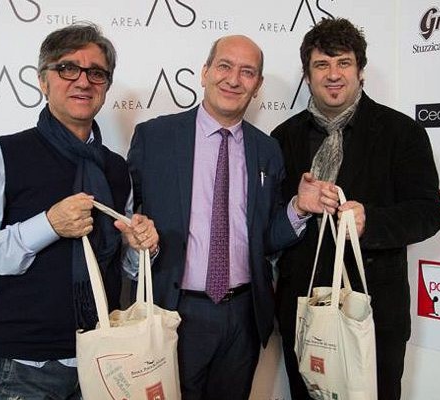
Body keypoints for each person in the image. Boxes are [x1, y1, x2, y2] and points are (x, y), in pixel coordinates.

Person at [0, 22, 158, 399]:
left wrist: (141, 249)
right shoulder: (4, 154)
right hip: (23, 366)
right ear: (43, 81)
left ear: (105, 86)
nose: (83, 81)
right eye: (68, 68)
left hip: (104, 358)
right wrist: (48, 225)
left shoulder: (116, 168)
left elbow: (119, 267)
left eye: (96, 73)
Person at [126, 35, 335, 400]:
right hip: (174, 311)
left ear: (258, 85)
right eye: (224, 66)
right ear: (205, 72)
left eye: (247, 72)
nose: (234, 79)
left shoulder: (266, 149)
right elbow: (127, 218)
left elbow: (265, 238)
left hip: (243, 316)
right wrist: (135, 238)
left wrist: (298, 209)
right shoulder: (155, 137)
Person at [271, 18, 440, 400]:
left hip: (373, 314)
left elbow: (428, 213)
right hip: (302, 311)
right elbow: (266, 223)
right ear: (308, 75)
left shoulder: (402, 132)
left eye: (344, 63)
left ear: (360, 71)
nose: (333, 75)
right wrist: (297, 207)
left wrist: (370, 222)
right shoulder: (282, 138)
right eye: (322, 65)